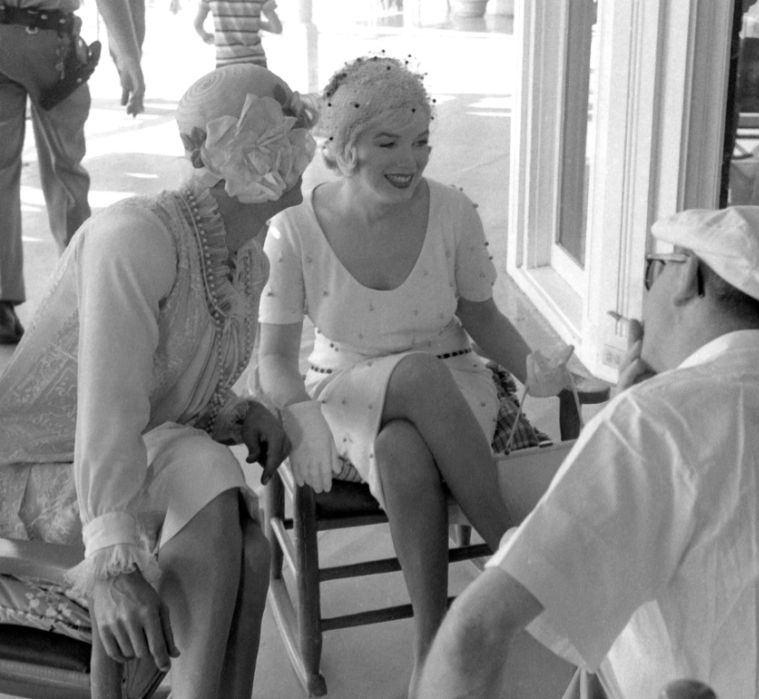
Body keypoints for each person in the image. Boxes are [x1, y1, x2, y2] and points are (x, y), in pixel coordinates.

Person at [417, 206, 759, 699]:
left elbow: (474, 634)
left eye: (653, 270)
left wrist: (632, 415)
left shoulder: (660, 419)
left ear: (689, 275)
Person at [254, 54, 570, 697]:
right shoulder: (291, 231)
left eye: (422, 140)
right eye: (388, 142)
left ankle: (434, 643)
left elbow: (480, 316)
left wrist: (529, 366)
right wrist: (302, 417)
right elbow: (273, 362)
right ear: (343, 149)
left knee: (404, 440)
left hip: (457, 386)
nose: (412, 158)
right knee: (417, 379)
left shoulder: (453, 211)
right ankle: (521, 559)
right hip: (341, 388)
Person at [0, 63, 317, 698]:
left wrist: (233, 412)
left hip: (130, 455)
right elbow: (109, 410)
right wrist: (113, 564)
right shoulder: (135, 236)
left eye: (296, 120)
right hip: (38, 469)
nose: (299, 135)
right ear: (210, 151)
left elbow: (168, 382)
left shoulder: (246, 257)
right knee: (209, 478)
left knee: (249, 543)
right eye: (275, 123)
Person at [0, 0, 145, 345]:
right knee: (65, 173)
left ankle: (1, 302)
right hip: (53, 44)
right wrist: (128, 54)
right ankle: (80, 297)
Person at [193, 0, 282, 69]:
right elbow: (277, 28)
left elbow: (197, 24)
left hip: (226, 61)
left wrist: (204, 35)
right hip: (255, 60)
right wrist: (250, 22)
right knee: (259, 92)